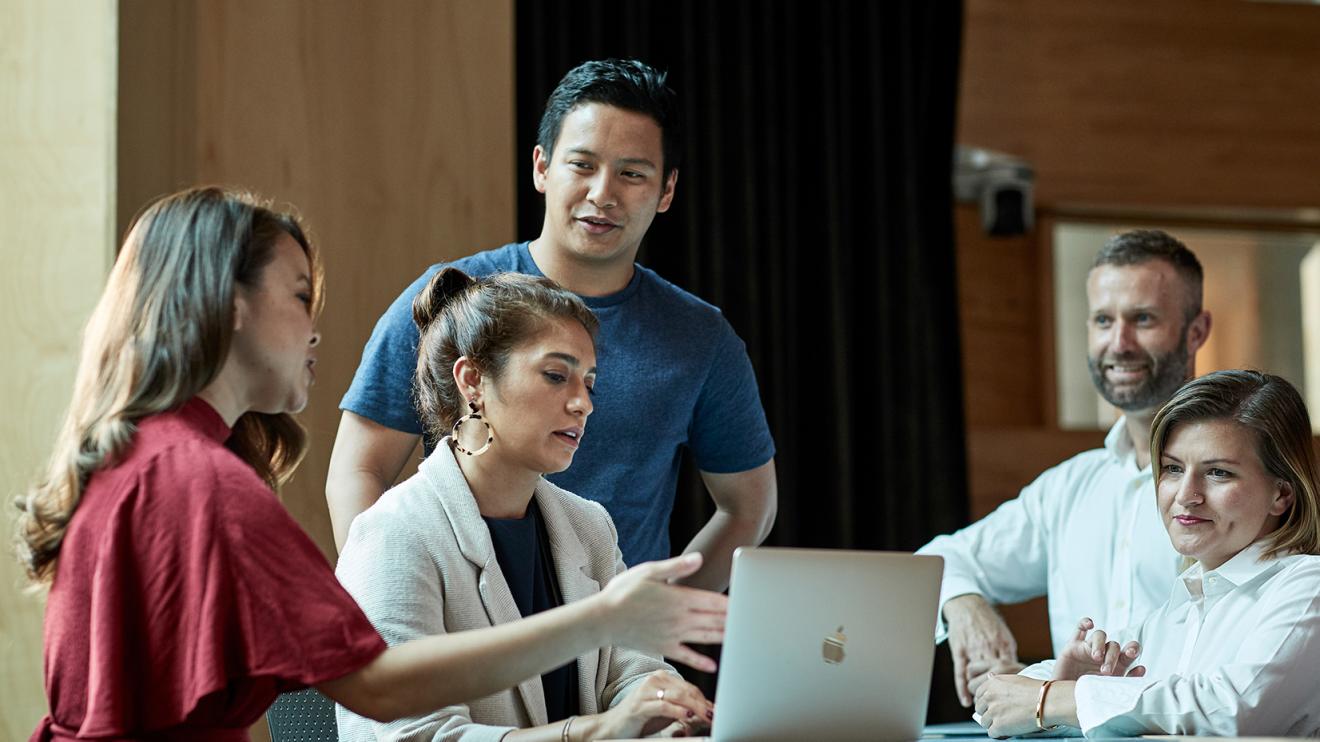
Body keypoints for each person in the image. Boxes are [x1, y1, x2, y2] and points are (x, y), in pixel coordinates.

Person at [12, 187, 727, 741]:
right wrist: (600, 623)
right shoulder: (206, 484)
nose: (315, 327)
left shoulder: (141, 459)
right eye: (299, 296)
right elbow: (379, 687)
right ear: (229, 304)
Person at [328, 58, 777, 589]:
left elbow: (749, 508)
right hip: (466, 633)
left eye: (632, 174)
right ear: (542, 166)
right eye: (582, 165)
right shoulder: (455, 298)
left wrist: (654, 619)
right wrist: (398, 597)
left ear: (667, 190)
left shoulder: (700, 338)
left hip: (613, 661)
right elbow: (360, 468)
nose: (602, 194)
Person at [337, 268, 713, 741]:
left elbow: (633, 675)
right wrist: (596, 730)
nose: (583, 404)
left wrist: (665, 711)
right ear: (472, 380)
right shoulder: (393, 533)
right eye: (557, 376)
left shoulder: (590, 526)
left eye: (589, 383)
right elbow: (417, 736)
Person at [917, 229, 1212, 706]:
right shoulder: (1067, 488)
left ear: (1196, 331)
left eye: (1142, 319)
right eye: (1102, 320)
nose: (1119, 343)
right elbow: (939, 560)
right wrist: (965, 605)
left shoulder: (1236, 487)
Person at [975, 370, 1320, 737]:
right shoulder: (1177, 611)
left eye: (1218, 472)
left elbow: (1231, 709)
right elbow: (993, 702)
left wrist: (1066, 699)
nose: (1186, 495)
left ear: (1281, 494)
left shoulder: (1306, 587)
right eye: (1173, 468)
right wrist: (1065, 693)